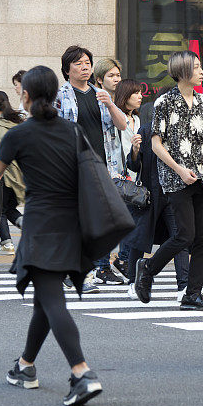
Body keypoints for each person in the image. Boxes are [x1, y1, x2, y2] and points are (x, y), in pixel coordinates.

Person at [0, 65, 103, 406]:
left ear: (24, 96)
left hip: (40, 224)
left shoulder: (18, 135)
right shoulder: (71, 131)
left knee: (53, 301)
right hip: (72, 223)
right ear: (55, 95)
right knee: (45, 300)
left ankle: (82, 372)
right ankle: (25, 366)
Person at [134, 50, 203, 311]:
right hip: (175, 178)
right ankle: (148, 269)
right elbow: (156, 144)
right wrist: (179, 169)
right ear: (182, 71)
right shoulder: (164, 103)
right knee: (184, 235)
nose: (201, 71)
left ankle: (192, 295)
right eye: (196, 67)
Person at [56, 45, 127, 287]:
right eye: (78, 63)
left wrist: (109, 104)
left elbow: (122, 125)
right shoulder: (61, 95)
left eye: (87, 62)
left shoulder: (100, 95)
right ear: (67, 69)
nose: (84, 66)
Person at [124, 91, 191, 300]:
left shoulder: (182, 131)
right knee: (140, 239)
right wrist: (135, 150)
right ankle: (132, 280)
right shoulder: (146, 130)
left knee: (179, 237)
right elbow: (133, 165)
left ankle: (184, 286)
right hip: (149, 195)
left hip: (173, 194)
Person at [110, 78, 143, 277]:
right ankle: (116, 261)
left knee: (132, 219)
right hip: (116, 174)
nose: (140, 96)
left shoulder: (137, 119)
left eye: (140, 92)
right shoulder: (116, 117)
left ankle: (123, 258)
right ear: (125, 96)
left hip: (132, 174)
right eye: (135, 93)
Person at [0, 90, 26, 253]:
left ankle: (7, 243)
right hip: (19, 174)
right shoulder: (18, 123)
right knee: (9, 208)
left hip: (4, 174)